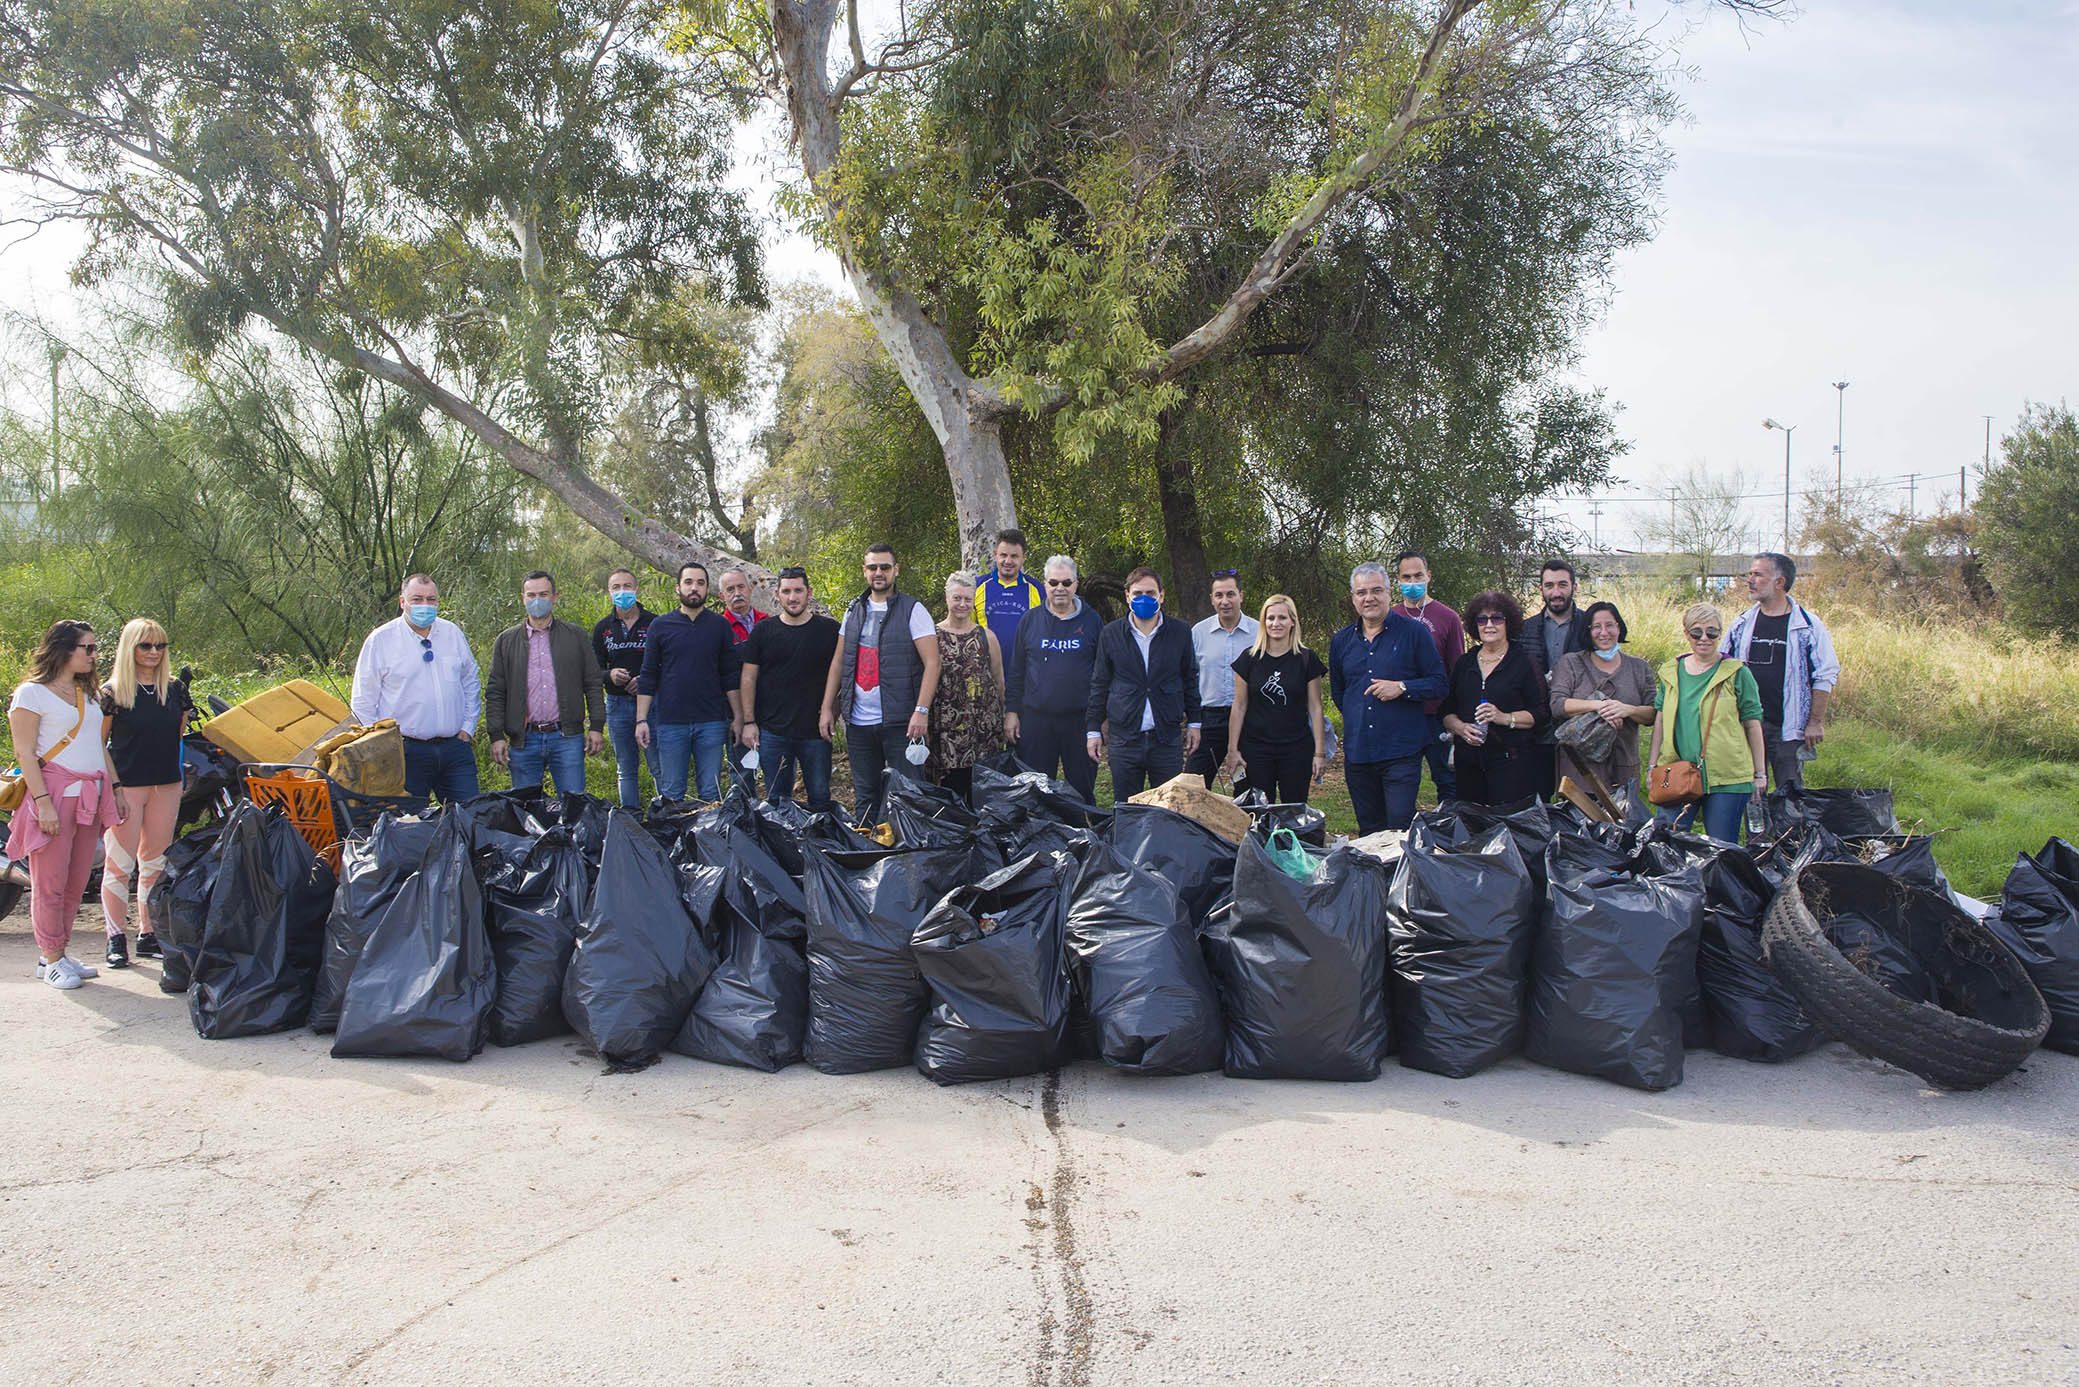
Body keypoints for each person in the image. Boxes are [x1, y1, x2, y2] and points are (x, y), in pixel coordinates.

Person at [7, 621, 125, 990]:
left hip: (91, 791)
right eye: (87, 648)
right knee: (50, 882)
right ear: (63, 649)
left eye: (95, 648)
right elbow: (25, 752)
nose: (94, 655)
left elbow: (97, 746)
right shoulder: (31, 694)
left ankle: (56, 954)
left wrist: (116, 788)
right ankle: (52, 957)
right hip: (54, 792)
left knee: (76, 881)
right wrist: (43, 803)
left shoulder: (87, 694)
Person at [97, 618, 191, 968]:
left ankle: (147, 933)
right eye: (146, 645)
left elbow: (177, 736)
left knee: (154, 863)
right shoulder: (112, 693)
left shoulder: (176, 689)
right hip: (126, 786)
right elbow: (99, 743)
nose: (154, 652)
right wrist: (114, 787)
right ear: (130, 648)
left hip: (166, 783)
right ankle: (115, 937)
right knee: (119, 864)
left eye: (160, 645)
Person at [1328, 562, 1448, 833]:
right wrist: (1357, 714)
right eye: (1362, 592)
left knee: (1399, 829)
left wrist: (1402, 687)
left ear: (1389, 593)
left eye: (1376, 590)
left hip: (1400, 752)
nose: (1369, 598)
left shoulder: (1414, 633)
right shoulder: (1341, 641)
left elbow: (1439, 684)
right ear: (1353, 597)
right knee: (1369, 831)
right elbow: (1340, 693)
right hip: (1359, 753)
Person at [824, 544, 940, 823]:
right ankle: (868, 847)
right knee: (866, 796)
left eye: (885, 567)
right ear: (864, 571)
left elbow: (933, 663)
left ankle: (909, 848)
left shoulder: (913, 609)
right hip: (859, 724)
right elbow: (838, 662)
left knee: (908, 795)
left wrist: (921, 711)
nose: (879, 572)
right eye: (873, 567)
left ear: (895, 570)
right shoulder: (853, 610)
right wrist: (827, 707)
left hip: (902, 723)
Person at [350, 574, 482, 801]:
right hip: (405, 752)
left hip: (454, 748)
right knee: (408, 819)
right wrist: (377, 746)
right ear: (403, 602)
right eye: (417, 599)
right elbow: (363, 699)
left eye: (431, 600)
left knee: (471, 814)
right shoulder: (381, 640)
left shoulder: (452, 633)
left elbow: (470, 681)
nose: (425, 605)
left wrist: (468, 726)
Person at [1721, 552, 1840, 796]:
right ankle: (1757, 824)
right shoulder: (1742, 624)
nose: (1750, 580)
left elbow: (1825, 675)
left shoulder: (1808, 626)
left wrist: (1815, 722)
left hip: (1788, 729)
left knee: (1791, 794)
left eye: (1758, 575)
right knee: (1751, 793)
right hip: (1748, 724)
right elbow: (1722, 667)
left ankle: (1788, 824)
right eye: (1750, 574)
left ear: (1779, 582)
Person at [1648, 602, 1768, 844]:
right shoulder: (1671, 672)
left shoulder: (1737, 673)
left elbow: (1753, 723)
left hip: (1728, 777)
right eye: (1697, 632)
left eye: (1711, 632)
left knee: (1721, 849)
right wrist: (1652, 766)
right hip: (1677, 772)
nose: (1704, 638)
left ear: (1720, 633)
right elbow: (1660, 720)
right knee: (1667, 844)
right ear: (1686, 634)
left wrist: (1759, 773)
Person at [485, 570, 606, 797]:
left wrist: (597, 726)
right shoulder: (506, 641)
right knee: (526, 807)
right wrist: (496, 735)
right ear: (523, 598)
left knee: (573, 804)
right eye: (531, 595)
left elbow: (592, 682)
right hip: (524, 739)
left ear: (555, 597)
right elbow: (496, 691)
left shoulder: (575, 635)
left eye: (543, 594)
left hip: (566, 737)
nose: (537, 600)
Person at [1086, 567, 1201, 802]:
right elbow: (1099, 683)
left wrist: (1195, 722)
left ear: (1161, 595)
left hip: (1166, 738)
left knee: (1168, 808)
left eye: (1150, 593)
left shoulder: (1180, 631)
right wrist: (1093, 729)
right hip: (1125, 739)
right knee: (1128, 809)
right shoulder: (1111, 634)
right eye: (1138, 593)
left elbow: (1190, 678)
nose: (1144, 598)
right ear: (1127, 596)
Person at [634, 562, 744, 804]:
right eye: (689, 582)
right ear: (678, 588)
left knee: (711, 795)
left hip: (711, 722)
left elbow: (730, 674)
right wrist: (641, 720)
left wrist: (738, 717)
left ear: (707, 589)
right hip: (671, 723)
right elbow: (648, 675)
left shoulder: (720, 625)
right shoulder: (660, 626)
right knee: (672, 794)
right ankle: (674, 829)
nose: (694, 588)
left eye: (700, 583)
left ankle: (709, 830)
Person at [1003, 555, 1105, 802]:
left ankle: (1082, 827)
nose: (1060, 588)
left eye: (1066, 582)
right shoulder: (1029, 620)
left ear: (1076, 585)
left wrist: (1101, 719)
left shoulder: (1093, 621)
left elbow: (1102, 674)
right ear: (1045, 584)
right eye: (1054, 582)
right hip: (1036, 720)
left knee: (1081, 792)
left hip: (1080, 721)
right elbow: (1017, 671)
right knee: (1035, 792)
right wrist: (1012, 712)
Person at [740, 567, 842, 808]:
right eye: (786, 591)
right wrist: (749, 721)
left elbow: (841, 674)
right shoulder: (763, 631)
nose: (792, 597)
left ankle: (821, 834)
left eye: (798, 591)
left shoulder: (830, 630)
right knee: (777, 802)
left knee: (820, 799)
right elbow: (748, 678)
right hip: (773, 732)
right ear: (777, 594)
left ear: (809, 593)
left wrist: (833, 710)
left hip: (816, 732)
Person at [1441, 591, 1551, 806]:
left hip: (1511, 762)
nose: (1489, 625)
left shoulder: (1524, 662)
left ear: (1509, 623)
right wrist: (1460, 728)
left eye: (1497, 618)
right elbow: (1446, 711)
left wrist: (1504, 717)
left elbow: (1541, 712)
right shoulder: (1465, 663)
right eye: (1482, 619)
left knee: (1508, 822)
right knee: (1471, 821)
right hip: (1468, 763)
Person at [1223, 594, 1327, 805]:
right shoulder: (1249, 659)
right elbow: (1239, 705)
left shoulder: (1307, 659)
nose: (1276, 623)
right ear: (1263, 622)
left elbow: (1315, 707)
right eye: (1270, 618)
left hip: (1296, 748)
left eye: (1282, 618)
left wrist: (1319, 753)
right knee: (1257, 811)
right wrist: (1232, 750)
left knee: (1294, 809)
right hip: (1256, 748)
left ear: (1292, 622)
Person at [1549, 600, 1655, 799]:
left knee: (1622, 818)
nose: (1604, 632)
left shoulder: (1639, 667)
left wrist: (1628, 710)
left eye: (1609, 625)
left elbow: (1652, 714)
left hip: (1623, 765)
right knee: (1578, 817)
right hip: (1579, 768)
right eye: (1596, 626)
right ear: (1588, 631)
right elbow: (1557, 705)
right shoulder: (1571, 663)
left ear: (1619, 628)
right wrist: (1600, 706)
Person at [1395, 550, 1464, 804]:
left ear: (1429, 576)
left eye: (1418, 576)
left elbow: (1458, 671)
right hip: (1402, 715)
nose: (1412, 582)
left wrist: (1456, 716)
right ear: (1398, 579)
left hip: (1438, 715)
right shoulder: (1390, 617)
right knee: (1401, 782)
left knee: (1447, 779)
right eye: (1406, 577)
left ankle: (1449, 824)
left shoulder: (1448, 617)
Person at [929, 573, 1006, 802]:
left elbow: (999, 681)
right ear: (947, 598)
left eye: (967, 599)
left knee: (980, 797)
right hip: (944, 732)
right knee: (948, 798)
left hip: (982, 732)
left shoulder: (987, 637)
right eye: (957, 598)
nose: (962, 604)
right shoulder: (932, 636)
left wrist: (1005, 718)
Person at [592, 568, 660, 808]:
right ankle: (631, 815)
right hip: (617, 704)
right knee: (626, 768)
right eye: (616, 588)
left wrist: (646, 679)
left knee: (658, 765)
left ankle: (667, 815)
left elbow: (668, 664)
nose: (622, 592)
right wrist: (610, 675)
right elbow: (593, 670)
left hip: (651, 703)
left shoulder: (655, 623)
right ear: (609, 592)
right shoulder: (603, 628)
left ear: (637, 589)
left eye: (627, 586)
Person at [1188, 569, 1258, 787]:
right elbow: (1189, 677)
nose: (1225, 601)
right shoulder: (1198, 633)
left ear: (1241, 596)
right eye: (1219, 595)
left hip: (1249, 719)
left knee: (1247, 787)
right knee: (1194, 784)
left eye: (1230, 594)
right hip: (1209, 720)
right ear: (1212, 599)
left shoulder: (1259, 632)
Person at [718, 568, 768, 798]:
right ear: (722, 596)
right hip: (735, 713)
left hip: (772, 712)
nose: (737, 593)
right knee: (743, 777)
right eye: (730, 589)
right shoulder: (718, 629)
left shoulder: (768, 622)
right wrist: (738, 717)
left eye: (741, 587)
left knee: (778, 772)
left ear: (750, 588)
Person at [972, 528, 1044, 655]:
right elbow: (965, 629)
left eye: (1014, 556)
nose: (1008, 561)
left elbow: (1045, 631)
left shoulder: (1038, 590)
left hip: (1025, 665)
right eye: (1003, 555)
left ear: (1023, 558)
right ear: (995, 555)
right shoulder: (976, 587)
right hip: (986, 664)